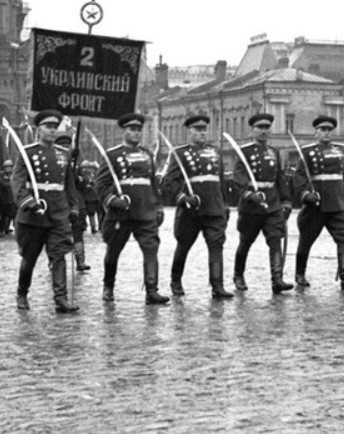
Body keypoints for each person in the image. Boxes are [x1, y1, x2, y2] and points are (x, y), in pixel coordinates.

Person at [94, 112, 169, 305]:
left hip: (145, 211)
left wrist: (158, 206)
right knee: (113, 250)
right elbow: (100, 184)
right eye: (132, 130)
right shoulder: (112, 155)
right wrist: (112, 200)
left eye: (138, 130)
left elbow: (153, 185)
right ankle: (108, 287)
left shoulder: (147, 155)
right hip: (121, 214)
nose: (136, 134)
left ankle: (152, 290)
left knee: (151, 249)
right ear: (124, 131)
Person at [12, 110, 79, 313]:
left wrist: (74, 207)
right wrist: (28, 201)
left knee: (59, 256)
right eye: (47, 127)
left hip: (58, 213)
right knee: (30, 258)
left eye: (54, 127)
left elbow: (69, 185)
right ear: (38, 129)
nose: (51, 131)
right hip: (34, 215)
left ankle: (61, 298)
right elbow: (17, 182)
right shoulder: (28, 152)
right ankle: (22, 293)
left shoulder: (63, 153)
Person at [160, 115, 233, 299]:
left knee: (216, 246)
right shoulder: (180, 153)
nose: (202, 132)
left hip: (214, 208)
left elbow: (221, 182)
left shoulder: (215, 152)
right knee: (184, 245)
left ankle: (217, 285)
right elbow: (169, 182)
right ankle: (175, 281)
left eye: (204, 129)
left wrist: (225, 204)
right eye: (198, 129)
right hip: (191, 210)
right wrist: (183, 197)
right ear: (189, 131)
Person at [291, 116, 344, 290]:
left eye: (328, 130)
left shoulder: (341, 150)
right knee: (306, 240)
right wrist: (305, 195)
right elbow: (299, 178)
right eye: (322, 130)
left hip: (337, 203)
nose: (326, 133)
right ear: (315, 132)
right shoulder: (307, 151)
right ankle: (300, 274)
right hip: (315, 205)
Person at [232, 113, 293, 294]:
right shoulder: (244, 152)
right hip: (251, 207)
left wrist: (287, 201)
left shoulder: (273, 152)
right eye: (260, 128)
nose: (264, 131)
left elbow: (280, 178)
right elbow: (238, 177)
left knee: (275, 241)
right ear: (252, 130)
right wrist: (249, 194)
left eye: (267, 128)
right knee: (246, 243)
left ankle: (277, 279)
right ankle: (238, 275)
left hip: (272, 205)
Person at [54, 132, 91, 272]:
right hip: (59, 202)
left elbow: (84, 183)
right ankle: (54, 260)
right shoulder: (54, 163)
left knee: (78, 232)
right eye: (62, 146)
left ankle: (80, 261)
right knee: (57, 233)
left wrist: (79, 177)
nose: (66, 148)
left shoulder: (77, 165)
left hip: (76, 203)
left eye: (67, 146)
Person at [0, 159, 16, 234]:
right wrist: (10, 185)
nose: (8, 168)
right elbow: (1, 183)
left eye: (10, 167)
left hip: (11, 199)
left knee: (10, 214)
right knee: (2, 215)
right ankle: (1, 230)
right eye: (7, 167)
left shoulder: (14, 174)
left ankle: (6, 228)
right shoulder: (0, 174)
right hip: (2, 199)